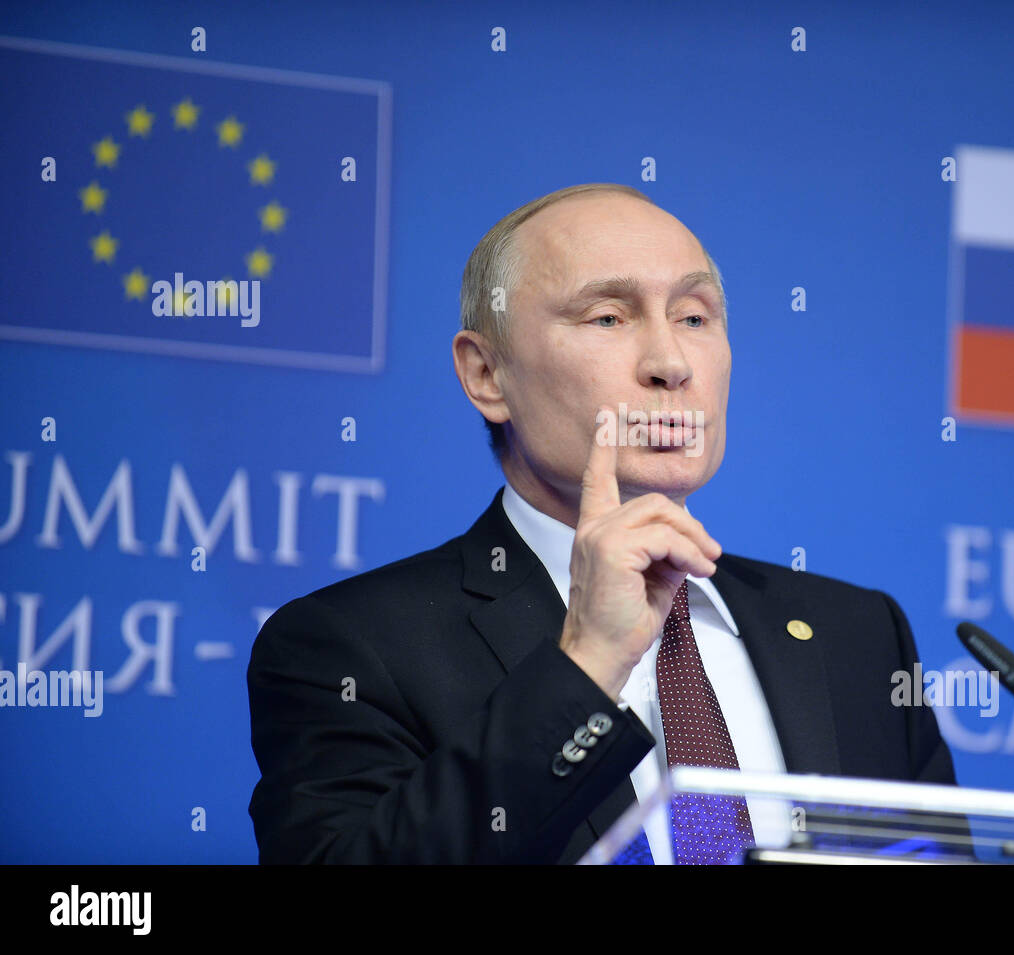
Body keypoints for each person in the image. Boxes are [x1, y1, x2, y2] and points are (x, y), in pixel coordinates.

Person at [247, 183, 959, 864]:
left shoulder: (858, 637)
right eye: (609, 318)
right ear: (487, 374)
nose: (670, 363)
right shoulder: (349, 649)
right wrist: (585, 663)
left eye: (694, 317)